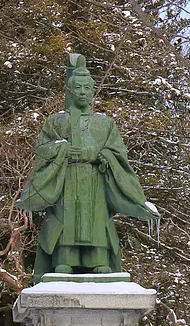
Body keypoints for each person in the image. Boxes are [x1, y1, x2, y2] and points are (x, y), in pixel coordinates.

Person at [17, 54, 159, 280]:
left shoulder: (105, 123)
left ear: (92, 92)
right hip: (67, 177)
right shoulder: (56, 121)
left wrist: (105, 156)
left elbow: (118, 152)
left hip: (96, 178)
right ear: (70, 91)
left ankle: (99, 261)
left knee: (97, 220)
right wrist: (62, 149)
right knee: (65, 218)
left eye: (87, 88)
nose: (82, 92)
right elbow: (43, 149)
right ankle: (65, 260)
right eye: (78, 87)